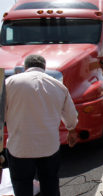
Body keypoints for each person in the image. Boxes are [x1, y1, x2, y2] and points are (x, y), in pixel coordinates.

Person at [5, 54, 78, 196]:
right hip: (49, 146)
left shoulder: (9, 83)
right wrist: (71, 129)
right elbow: (70, 115)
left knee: (22, 186)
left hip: (20, 147)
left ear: (26, 67)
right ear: (44, 67)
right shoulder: (58, 85)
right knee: (50, 183)